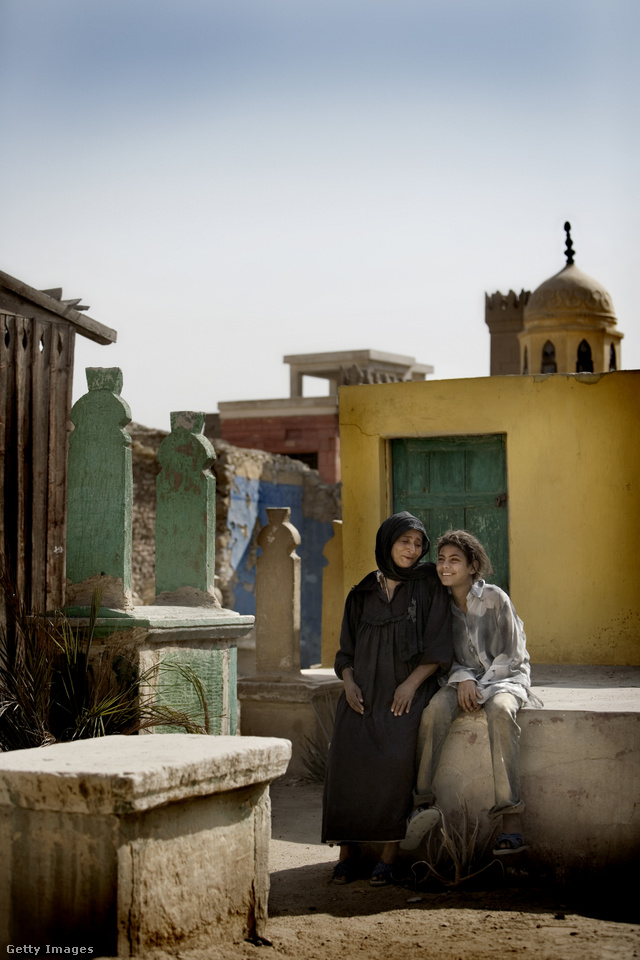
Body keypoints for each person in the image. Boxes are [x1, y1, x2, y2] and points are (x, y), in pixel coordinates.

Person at [321, 511, 452, 886]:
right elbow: (345, 652)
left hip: (406, 689)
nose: (411, 550)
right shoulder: (362, 593)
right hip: (362, 691)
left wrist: (411, 684)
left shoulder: (429, 587)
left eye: (417, 544)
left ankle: (389, 856)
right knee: (344, 752)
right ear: (387, 543)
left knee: (395, 755)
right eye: (404, 541)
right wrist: (347, 682)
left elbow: (439, 647)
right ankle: (347, 853)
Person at [412, 529, 540, 855]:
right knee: (433, 712)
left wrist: (481, 687)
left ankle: (511, 821)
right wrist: (464, 678)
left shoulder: (495, 598)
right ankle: (421, 805)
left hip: (504, 678)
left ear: (472, 566)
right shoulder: (440, 606)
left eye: (454, 560)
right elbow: (445, 655)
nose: (445, 566)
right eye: (441, 559)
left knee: (500, 711)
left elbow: (513, 652)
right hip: (459, 680)